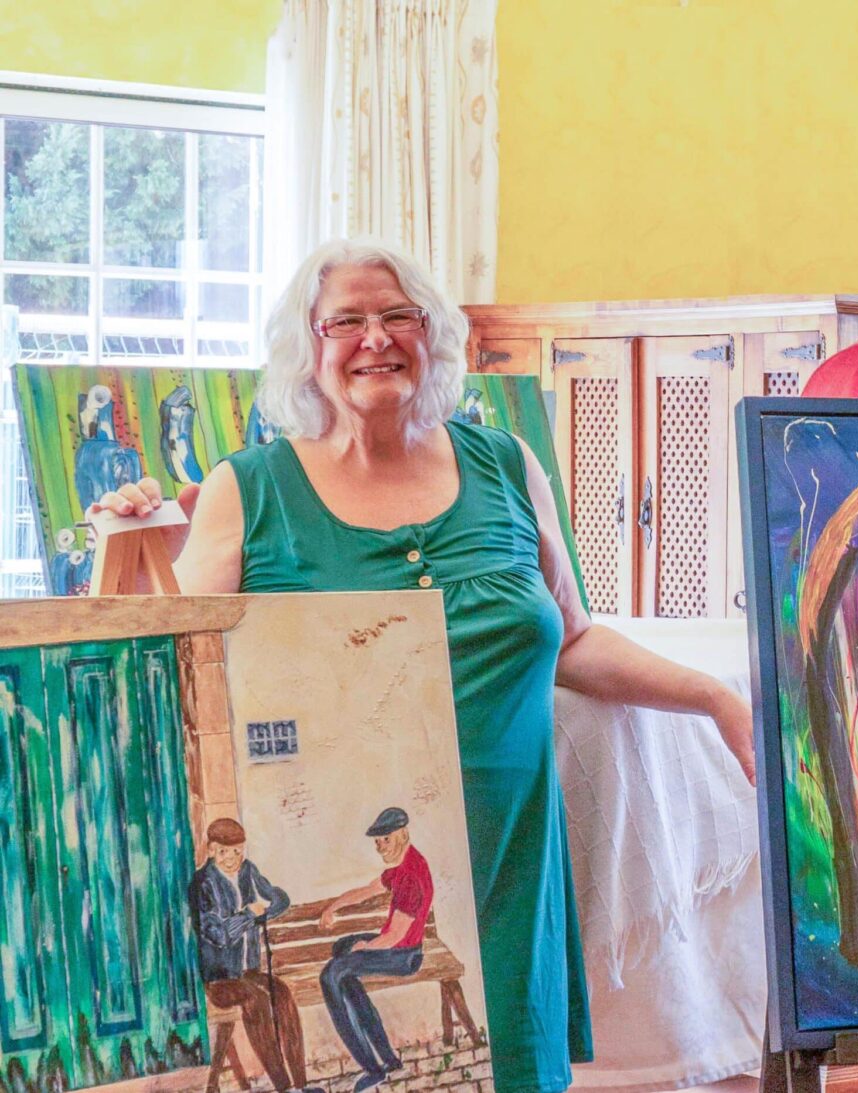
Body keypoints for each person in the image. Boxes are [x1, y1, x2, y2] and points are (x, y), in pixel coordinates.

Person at [94, 237, 755, 1093]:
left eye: (397, 315)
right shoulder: (247, 490)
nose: (376, 337)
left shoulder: (508, 467)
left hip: (509, 866)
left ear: (432, 334)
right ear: (310, 346)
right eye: (348, 321)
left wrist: (714, 698)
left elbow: (574, 639)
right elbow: (175, 666)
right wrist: (124, 545)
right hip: (340, 853)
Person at [189, 818, 324, 1093]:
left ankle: (301, 1085)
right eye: (225, 851)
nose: (232, 859)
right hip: (220, 980)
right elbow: (217, 935)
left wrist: (264, 912)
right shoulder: (202, 884)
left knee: (283, 994)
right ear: (212, 850)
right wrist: (250, 915)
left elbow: (280, 899)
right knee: (257, 1000)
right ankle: (284, 1087)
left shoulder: (248, 871)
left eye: (238, 851)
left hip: (249, 971)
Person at [318, 807, 433, 1093]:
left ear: (402, 834)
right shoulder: (403, 866)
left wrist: (365, 948)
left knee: (331, 976)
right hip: (400, 946)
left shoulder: (410, 877)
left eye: (385, 839)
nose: (379, 846)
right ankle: (390, 1059)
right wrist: (332, 908)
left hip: (405, 956)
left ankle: (373, 1069)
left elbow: (396, 935)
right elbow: (368, 890)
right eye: (377, 841)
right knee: (342, 950)